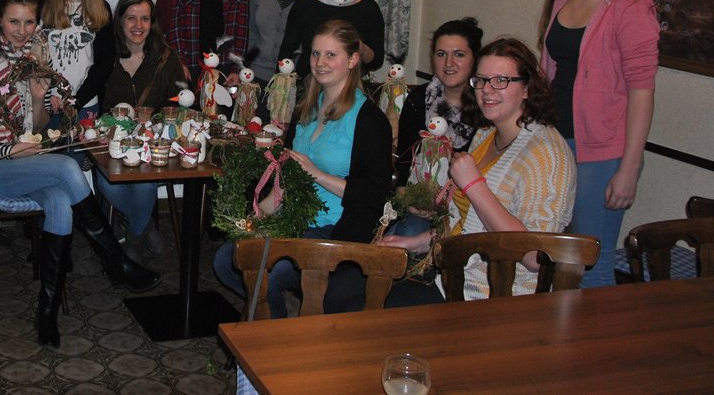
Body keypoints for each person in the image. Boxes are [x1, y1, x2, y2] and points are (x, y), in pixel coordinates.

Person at [0, 0, 160, 347]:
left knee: (58, 200)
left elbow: (38, 130)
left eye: (29, 22)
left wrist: (39, 99)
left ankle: (47, 313)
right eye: (13, 22)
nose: (21, 30)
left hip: (25, 166)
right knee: (69, 170)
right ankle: (116, 261)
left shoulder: (37, 63)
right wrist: (9, 150)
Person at [332, 38, 577, 308]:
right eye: (481, 80)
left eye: (501, 80)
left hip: (493, 295)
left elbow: (535, 256)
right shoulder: (486, 134)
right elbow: (468, 223)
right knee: (340, 287)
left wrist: (474, 185)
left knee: (358, 308)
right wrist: (416, 242)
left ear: (527, 88)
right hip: (449, 272)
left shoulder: (547, 154)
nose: (487, 90)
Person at [213, 20, 391, 318]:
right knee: (226, 261)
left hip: (337, 229)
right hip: (294, 219)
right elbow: (288, 175)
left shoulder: (369, 120)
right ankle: (278, 325)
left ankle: (278, 337)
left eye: (331, 55)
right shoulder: (307, 107)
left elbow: (375, 195)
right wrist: (260, 211)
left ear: (353, 60)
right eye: (315, 53)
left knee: (265, 273)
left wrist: (317, 174)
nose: (320, 63)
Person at [539, 0, 659, 288]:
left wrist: (629, 168)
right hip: (558, 141)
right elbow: (551, 73)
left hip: (603, 153)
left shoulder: (631, 4)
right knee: (561, 255)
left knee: (590, 262)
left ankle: (595, 328)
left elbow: (641, 89)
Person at [100, 0, 188, 257]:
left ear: (152, 23)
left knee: (145, 184)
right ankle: (144, 224)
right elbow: (99, 103)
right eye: (131, 18)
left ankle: (134, 240)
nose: (138, 25)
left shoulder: (166, 57)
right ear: (120, 21)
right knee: (107, 181)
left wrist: (154, 122)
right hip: (114, 142)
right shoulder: (105, 55)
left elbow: (179, 102)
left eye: (145, 19)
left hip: (152, 145)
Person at [394, 17, 484, 186]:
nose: (449, 63)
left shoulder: (486, 104)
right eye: (441, 54)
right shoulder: (417, 100)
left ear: (475, 58)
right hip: (417, 195)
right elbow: (404, 165)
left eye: (459, 54)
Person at [39, 0, 116, 118]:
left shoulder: (101, 8)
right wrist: (46, 96)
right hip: (44, 104)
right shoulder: (40, 2)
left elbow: (104, 64)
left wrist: (76, 101)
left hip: (85, 105)